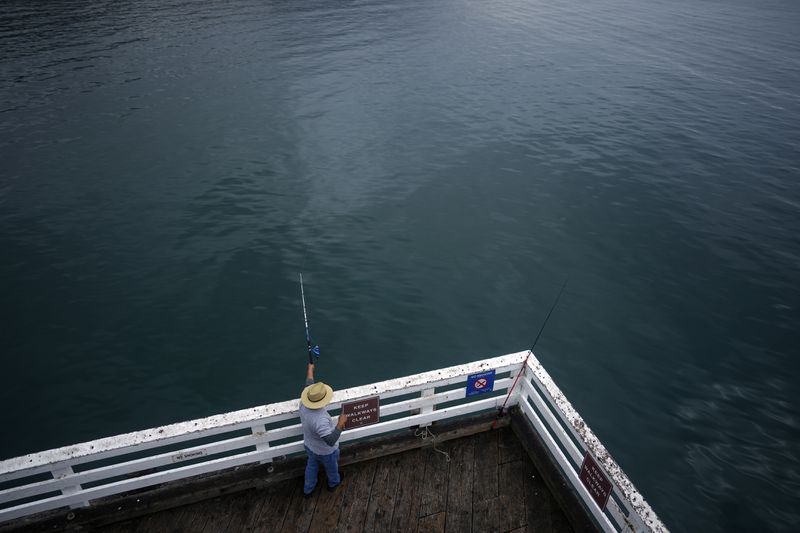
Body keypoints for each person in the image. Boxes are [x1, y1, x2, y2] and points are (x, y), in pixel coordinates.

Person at [299, 362, 347, 497]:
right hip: (325, 452)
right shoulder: (320, 420)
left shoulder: (303, 404)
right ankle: (334, 483)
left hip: (309, 445)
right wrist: (340, 424)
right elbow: (330, 441)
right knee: (332, 468)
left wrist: (310, 369)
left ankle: (308, 489)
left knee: (311, 466)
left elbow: (309, 385)